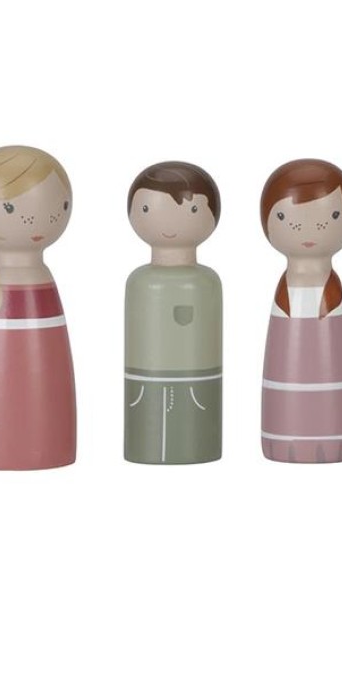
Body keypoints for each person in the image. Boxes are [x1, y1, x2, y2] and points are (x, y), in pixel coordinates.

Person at [0, 145, 76, 469]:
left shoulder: (40, 278)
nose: (39, 218)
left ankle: (45, 447)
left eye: (59, 206)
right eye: (10, 207)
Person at [260, 159, 342, 463]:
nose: (307, 228)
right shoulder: (286, 290)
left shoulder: (332, 290)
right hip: (282, 427)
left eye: (332, 215)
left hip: (339, 428)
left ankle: (335, 438)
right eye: (284, 216)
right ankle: (285, 438)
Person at [125, 161, 222, 464]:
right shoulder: (141, 283)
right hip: (145, 382)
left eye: (191, 209)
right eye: (148, 209)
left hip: (199, 382)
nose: (168, 222)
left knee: (192, 425)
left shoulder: (205, 283)